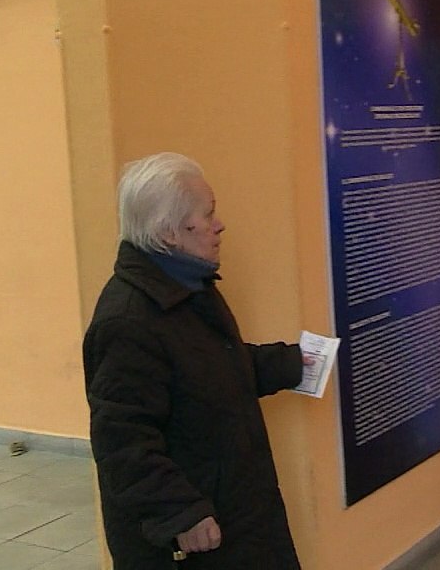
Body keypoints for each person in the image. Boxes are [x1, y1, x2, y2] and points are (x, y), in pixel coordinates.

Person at [84, 152, 306, 569]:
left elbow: (209, 370)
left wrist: (292, 363)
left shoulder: (189, 287)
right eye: (207, 214)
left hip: (235, 510)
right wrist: (180, 512)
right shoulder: (128, 321)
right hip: (191, 539)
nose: (219, 225)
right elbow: (122, 440)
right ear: (168, 232)